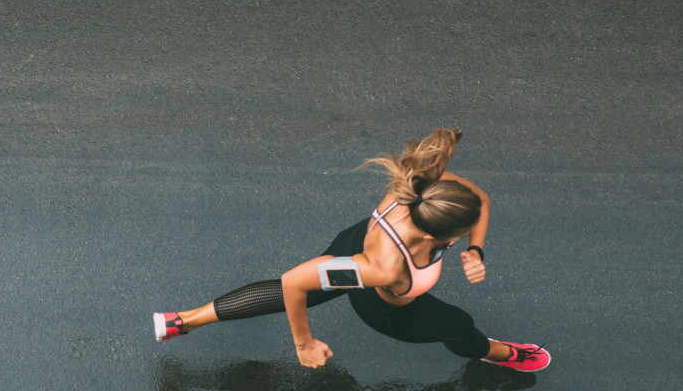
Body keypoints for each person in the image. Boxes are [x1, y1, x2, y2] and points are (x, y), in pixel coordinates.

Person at [153, 128, 550, 372]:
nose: (471, 234)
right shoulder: (384, 268)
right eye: (464, 236)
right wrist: (304, 344)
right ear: (436, 239)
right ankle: (498, 354)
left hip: (356, 241)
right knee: (460, 326)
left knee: (305, 288)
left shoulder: (423, 190)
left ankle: (182, 321)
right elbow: (294, 281)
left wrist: (477, 250)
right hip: (385, 303)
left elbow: (477, 199)